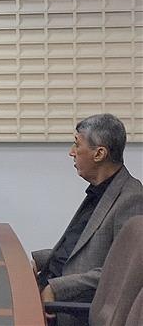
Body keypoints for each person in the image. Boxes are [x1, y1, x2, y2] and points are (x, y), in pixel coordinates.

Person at [32, 114, 143, 324]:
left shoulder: (132, 199)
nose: (71, 152)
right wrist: (39, 261)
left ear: (99, 153)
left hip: (69, 308)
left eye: (77, 144)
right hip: (48, 287)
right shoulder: (100, 190)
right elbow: (79, 249)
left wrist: (56, 288)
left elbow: (121, 273)